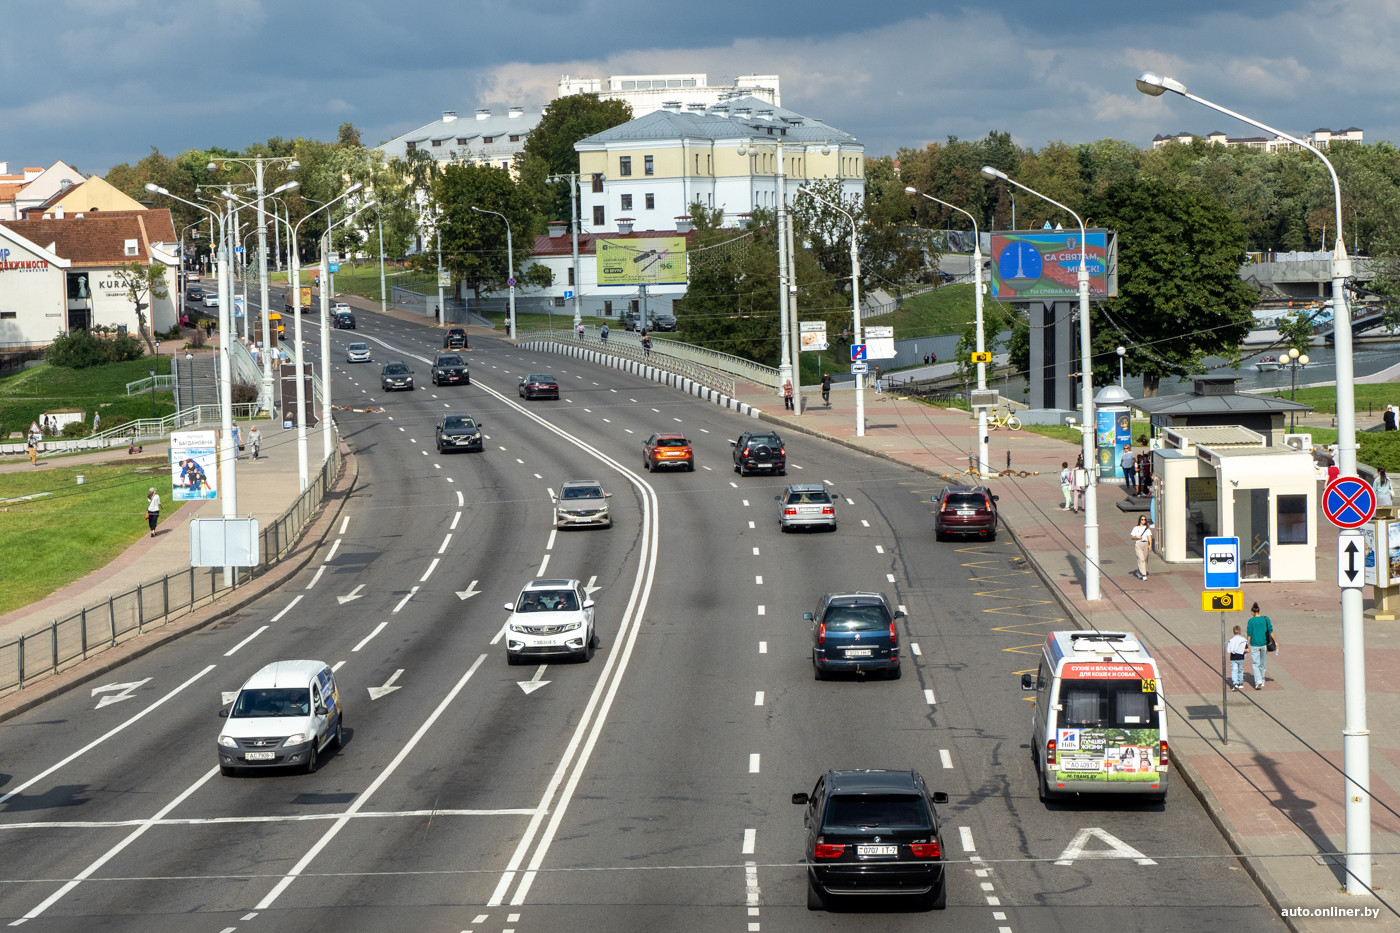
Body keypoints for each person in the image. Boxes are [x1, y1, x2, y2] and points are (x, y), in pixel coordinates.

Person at [1247, 602, 1274, 689]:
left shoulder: (1251, 621)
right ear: (1259, 610)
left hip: (1254, 644)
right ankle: (1262, 680)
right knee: (1262, 663)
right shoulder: (1266, 619)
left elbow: (1249, 633)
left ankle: (1258, 681)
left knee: (1255, 663)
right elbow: (1270, 631)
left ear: (1252, 611)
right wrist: (1276, 642)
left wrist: (1247, 644)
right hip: (1264, 644)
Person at [1129, 515, 1153, 579]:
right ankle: (1144, 575)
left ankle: (1139, 571)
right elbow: (1132, 537)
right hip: (1138, 544)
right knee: (1141, 559)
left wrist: (1150, 545)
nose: (1143, 521)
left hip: (1145, 544)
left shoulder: (1147, 528)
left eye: (1144, 519)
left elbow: (1149, 537)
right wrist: (1137, 537)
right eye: (1142, 519)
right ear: (1140, 520)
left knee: (1144, 559)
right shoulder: (1136, 528)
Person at [1227, 625, 1248, 691]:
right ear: (1240, 632)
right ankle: (1240, 683)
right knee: (1240, 670)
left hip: (1233, 657)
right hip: (1241, 657)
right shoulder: (1243, 640)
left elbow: (1228, 650)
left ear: (1233, 632)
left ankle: (1235, 683)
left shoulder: (1231, 640)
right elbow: (1247, 649)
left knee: (1234, 670)